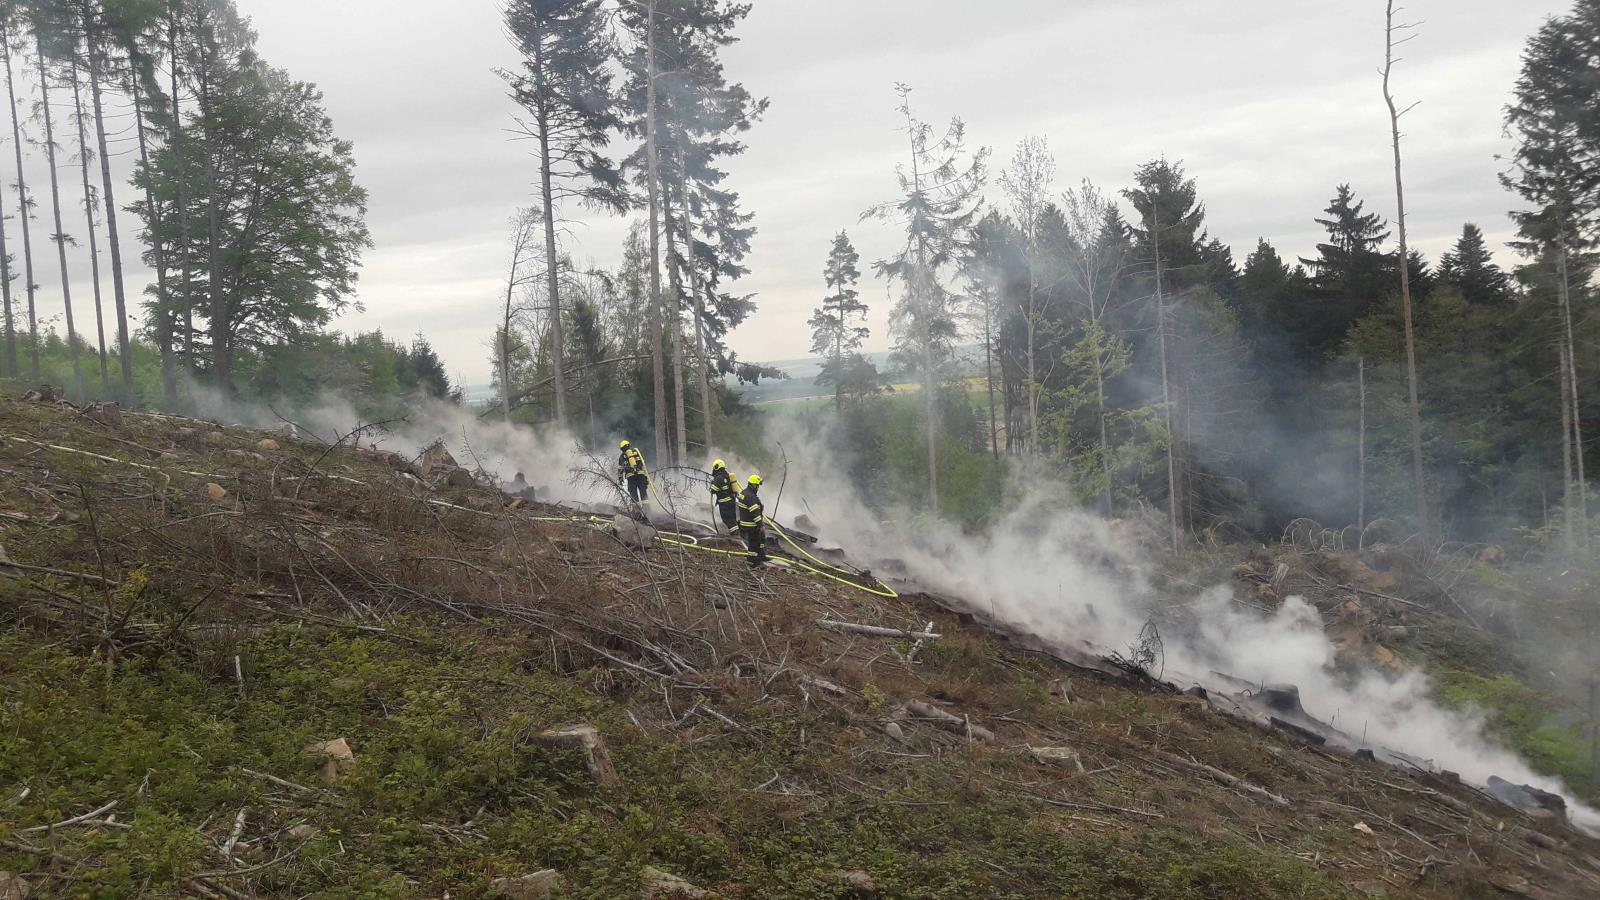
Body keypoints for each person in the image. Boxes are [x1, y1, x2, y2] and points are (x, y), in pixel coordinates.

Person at [738, 474, 767, 567]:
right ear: (752, 484)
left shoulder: (745, 493)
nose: (758, 487)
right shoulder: (750, 496)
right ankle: (752, 562)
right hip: (751, 524)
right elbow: (755, 513)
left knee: (761, 539)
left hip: (746, 522)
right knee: (754, 543)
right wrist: (760, 525)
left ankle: (761, 556)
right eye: (757, 485)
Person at [709, 460, 741, 533]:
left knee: (728, 520)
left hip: (725, 504)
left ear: (717, 467)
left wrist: (713, 483)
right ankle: (737, 533)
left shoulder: (719, 477)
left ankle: (736, 535)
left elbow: (713, 490)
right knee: (732, 519)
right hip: (731, 501)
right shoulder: (727, 475)